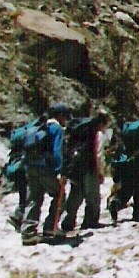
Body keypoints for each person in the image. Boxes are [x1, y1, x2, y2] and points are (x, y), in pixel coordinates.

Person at [20, 103, 71, 245]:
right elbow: (57, 151)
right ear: (60, 116)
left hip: (31, 166)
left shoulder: (38, 127)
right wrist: (59, 171)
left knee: (33, 198)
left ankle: (28, 232)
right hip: (45, 168)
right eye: (65, 117)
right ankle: (50, 227)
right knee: (59, 195)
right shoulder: (56, 129)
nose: (65, 120)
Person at [60, 112, 108, 234]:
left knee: (75, 194)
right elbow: (98, 155)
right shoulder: (98, 134)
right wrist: (100, 172)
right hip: (90, 167)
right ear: (102, 124)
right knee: (93, 196)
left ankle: (68, 221)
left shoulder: (80, 133)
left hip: (76, 166)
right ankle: (90, 221)